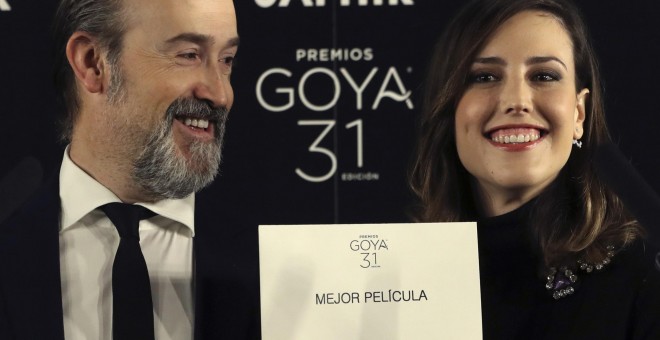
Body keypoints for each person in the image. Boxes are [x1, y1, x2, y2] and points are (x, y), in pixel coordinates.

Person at [0, 0, 260, 339]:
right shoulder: (10, 247)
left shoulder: (269, 259)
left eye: (226, 60)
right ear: (92, 63)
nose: (220, 93)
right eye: (188, 55)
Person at [409, 0, 660, 338]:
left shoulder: (644, 279)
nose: (517, 100)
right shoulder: (398, 281)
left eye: (544, 75)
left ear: (579, 114)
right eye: (484, 76)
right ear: (451, 110)